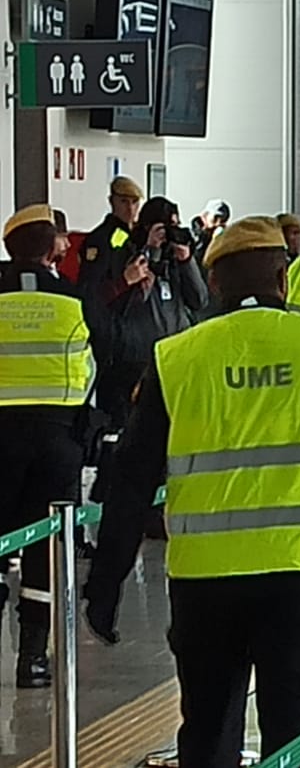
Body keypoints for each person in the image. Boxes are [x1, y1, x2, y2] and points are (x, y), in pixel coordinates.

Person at [84, 216, 300, 768]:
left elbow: (131, 477)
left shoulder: (180, 356)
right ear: (283, 278)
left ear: (213, 283)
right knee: (297, 724)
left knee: (209, 728)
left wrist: (107, 579)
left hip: (206, 579)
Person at [0, 205, 96, 687]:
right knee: (43, 550)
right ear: (49, 248)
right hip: (57, 439)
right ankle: (32, 659)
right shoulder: (72, 300)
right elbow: (90, 369)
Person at [88, 197, 208, 427]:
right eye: (166, 229)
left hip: (176, 359)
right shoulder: (128, 256)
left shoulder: (176, 262)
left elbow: (199, 300)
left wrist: (186, 261)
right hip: (136, 363)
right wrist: (150, 250)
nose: (170, 235)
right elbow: (126, 304)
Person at [78, 177, 142, 282]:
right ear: (112, 201)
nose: (130, 208)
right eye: (124, 201)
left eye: (135, 202)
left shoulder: (139, 235)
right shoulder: (100, 238)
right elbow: (92, 283)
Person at [192, 199, 231, 268]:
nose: (218, 223)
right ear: (205, 215)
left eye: (223, 220)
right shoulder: (192, 235)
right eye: (216, 218)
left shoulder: (222, 238)